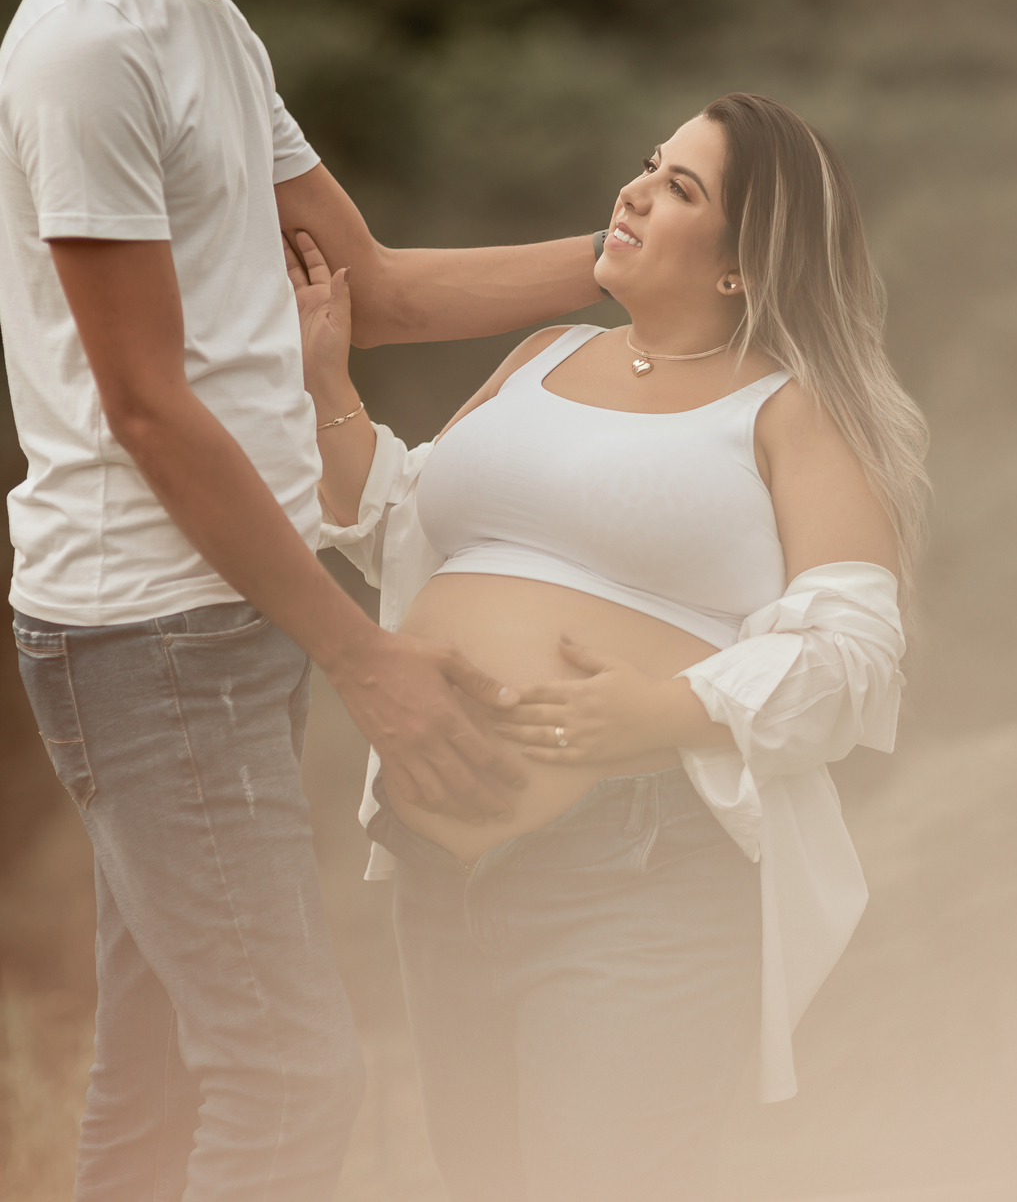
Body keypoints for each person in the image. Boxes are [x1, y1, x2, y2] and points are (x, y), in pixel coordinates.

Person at [0, 0, 605, 1202]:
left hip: (222, 616)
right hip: (150, 628)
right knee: (289, 1075)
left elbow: (375, 288)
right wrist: (362, 652)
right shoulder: (90, 46)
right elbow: (146, 403)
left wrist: (643, 261)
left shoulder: (211, 32)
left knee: (159, 1082)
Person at [292, 91, 930, 1202]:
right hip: (441, 868)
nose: (633, 191)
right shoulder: (545, 353)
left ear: (741, 266)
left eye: (680, 187)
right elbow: (403, 533)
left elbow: (857, 649)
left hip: (638, 870)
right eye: (649, 164)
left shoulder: (793, 411)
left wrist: (672, 709)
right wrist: (326, 385)